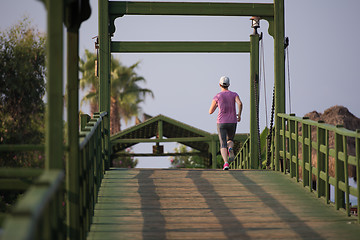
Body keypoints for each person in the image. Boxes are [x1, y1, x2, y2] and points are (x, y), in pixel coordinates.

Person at [209, 76, 242, 170]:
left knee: (223, 143)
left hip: (221, 122)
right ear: (229, 85)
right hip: (232, 121)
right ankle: (230, 149)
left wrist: (216, 105)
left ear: (219, 84)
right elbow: (240, 103)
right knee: (230, 139)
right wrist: (239, 114)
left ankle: (226, 163)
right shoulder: (234, 94)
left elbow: (210, 111)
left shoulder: (217, 96)